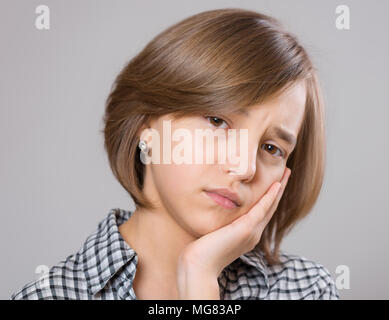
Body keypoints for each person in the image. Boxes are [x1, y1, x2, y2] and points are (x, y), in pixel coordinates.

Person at [10, 8, 339, 300]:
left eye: (271, 149)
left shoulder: (303, 289)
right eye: (217, 121)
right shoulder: (51, 294)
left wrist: (199, 280)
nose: (244, 167)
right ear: (146, 126)